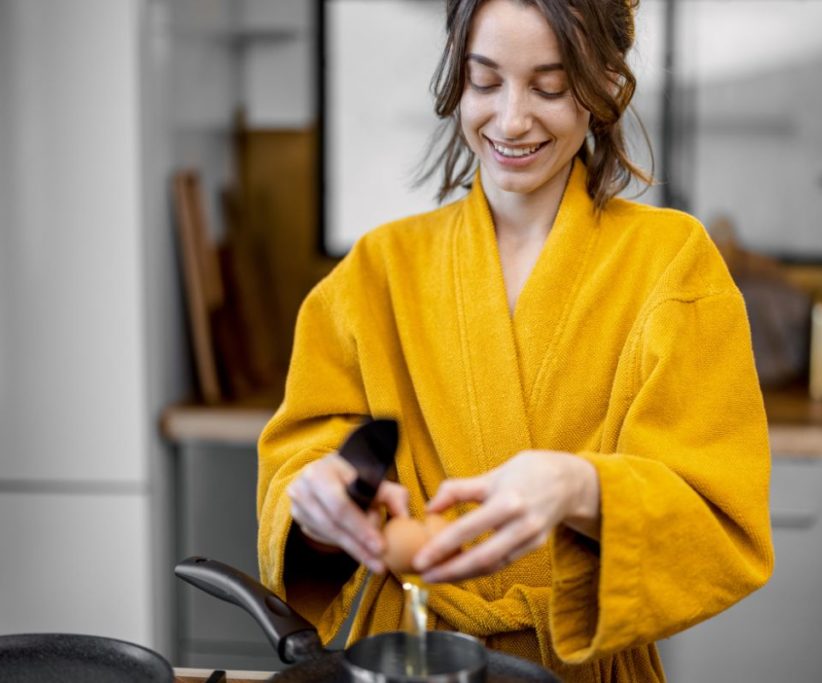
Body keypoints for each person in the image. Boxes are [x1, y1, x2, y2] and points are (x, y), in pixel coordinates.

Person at [257, 0, 774, 680]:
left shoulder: (673, 264)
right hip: (409, 657)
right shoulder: (375, 271)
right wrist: (322, 509)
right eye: (485, 81)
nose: (511, 118)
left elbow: (720, 517)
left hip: (580, 667)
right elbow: (308, 455)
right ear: (457, 82)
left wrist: (580, 486)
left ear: (605, 86)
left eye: (550, 87)